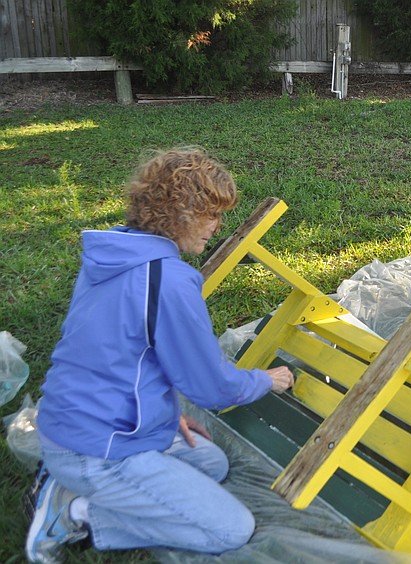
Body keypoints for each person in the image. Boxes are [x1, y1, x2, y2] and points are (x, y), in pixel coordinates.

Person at [25, 148, 294, 563]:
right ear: (179, 213)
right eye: (210, 215)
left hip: (75, 422)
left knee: (209, 462)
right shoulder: (167, 281)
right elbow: (212, 388)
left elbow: (114, 354)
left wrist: (163, 414)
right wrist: (267, 380)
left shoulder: (118, 252)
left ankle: (73, 481)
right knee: (230, 528)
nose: (217, 227)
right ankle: (76, 512)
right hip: (97, 450)